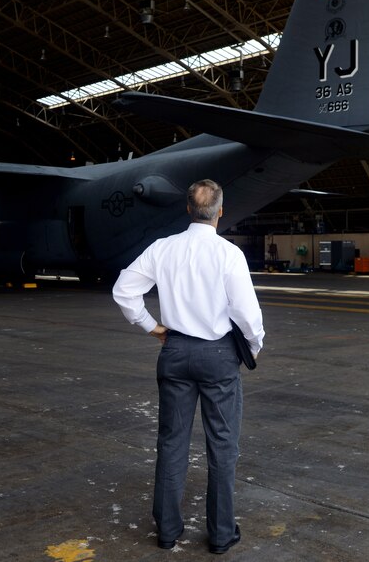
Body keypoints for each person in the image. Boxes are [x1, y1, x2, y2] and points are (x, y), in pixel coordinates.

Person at [112, 179, 264, 554]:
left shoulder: (163, 249)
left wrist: (152, 326)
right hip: (218, 357)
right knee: (223, 445)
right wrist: (254, 347)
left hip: (175, 354)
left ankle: (166, 531)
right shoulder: (229, 254)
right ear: (220, 211)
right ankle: (221, 534)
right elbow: (246, 314)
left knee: (172, 443)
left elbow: (123, 290)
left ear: (188, 210)